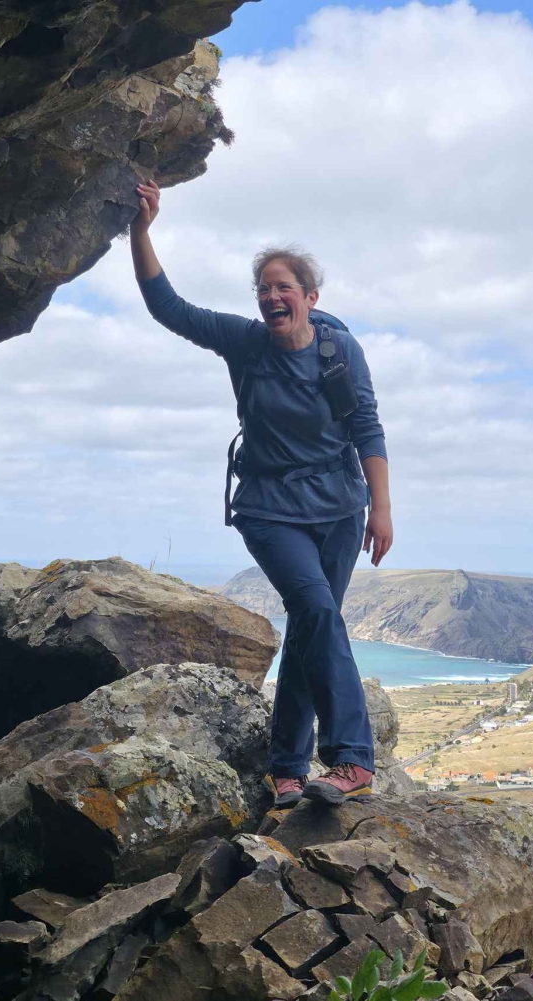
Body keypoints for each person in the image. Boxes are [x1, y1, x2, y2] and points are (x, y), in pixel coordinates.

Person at [129, 179, 393, 807]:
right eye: (264, 289)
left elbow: (367, 427)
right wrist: (141, 230)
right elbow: (168, 307)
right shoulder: (245, 343)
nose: (273, 297)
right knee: (318, 611)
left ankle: (286, 769)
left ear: (310, 297)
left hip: (340, 509)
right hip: (270, 508)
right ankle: (353, 760)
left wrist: (381, 508)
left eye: (284, 288)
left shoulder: (339, 350)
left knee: (309, 626)